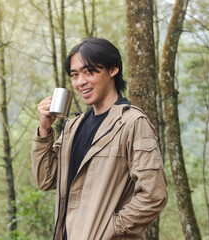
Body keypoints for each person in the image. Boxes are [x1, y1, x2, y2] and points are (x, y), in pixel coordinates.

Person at [31, 37, 168, 240]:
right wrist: (44, 131)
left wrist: (111, 229)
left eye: (89, 72)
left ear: (113, 70)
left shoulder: (133, 122)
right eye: (75, 75)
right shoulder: (73, 126)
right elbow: (46, 179)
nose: (80, 82)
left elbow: (153, 195)